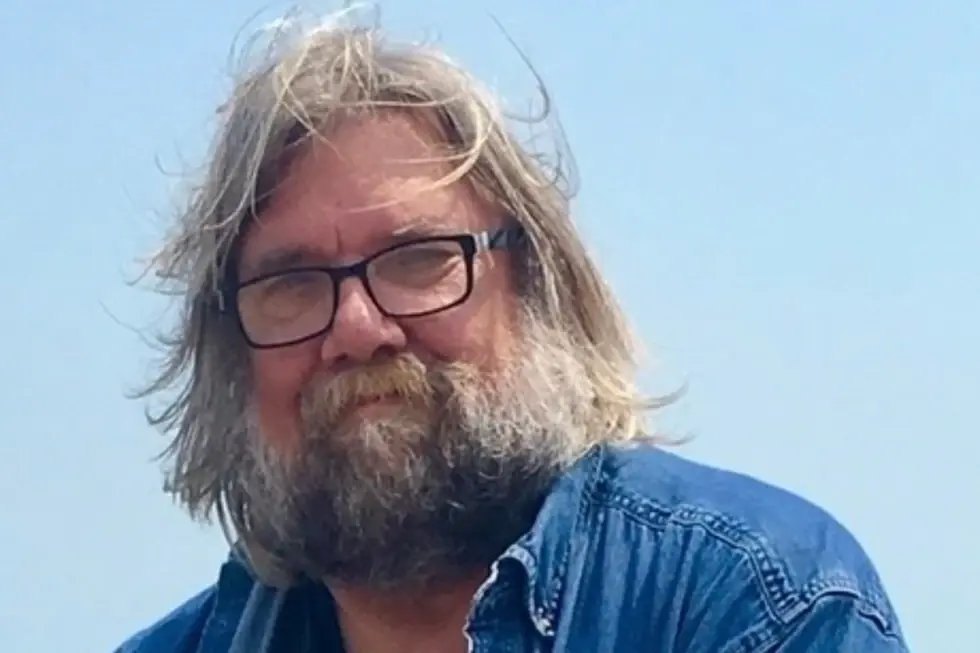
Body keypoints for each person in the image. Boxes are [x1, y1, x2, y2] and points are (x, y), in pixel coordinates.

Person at [115, 13, 909, 653]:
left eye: (418, 259)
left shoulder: (754, 601)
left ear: (535, 288)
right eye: (291, 285)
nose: (357, 328)